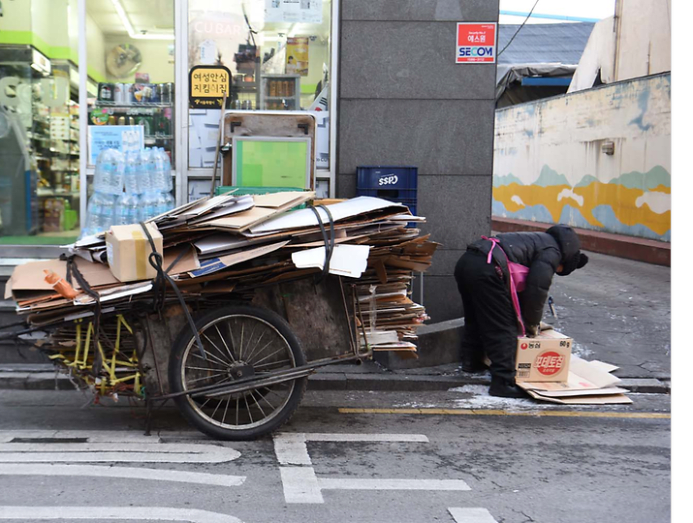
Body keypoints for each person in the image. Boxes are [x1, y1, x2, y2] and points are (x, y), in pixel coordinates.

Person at [454, 225, 589, 398]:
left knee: (476, 317)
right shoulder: (552, 252)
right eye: (559, 270)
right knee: (503, 326)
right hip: (488, 268)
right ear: (566, 260)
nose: (556, 270)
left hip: (468, 261)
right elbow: (536, 290)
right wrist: (531, 323)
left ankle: (471, 362)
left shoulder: (539, 240)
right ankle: (502, 382)